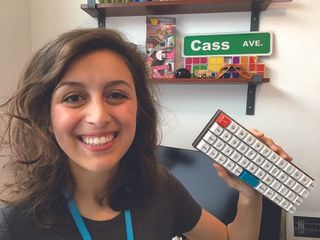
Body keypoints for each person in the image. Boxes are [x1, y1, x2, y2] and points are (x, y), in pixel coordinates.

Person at [0, 28, 292, 240]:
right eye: (74, 97)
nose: (99, 116)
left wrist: (249, 193)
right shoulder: (14, 223)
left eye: (116, 94)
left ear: (139, 107)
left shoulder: (158, 185)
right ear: (46, 117)